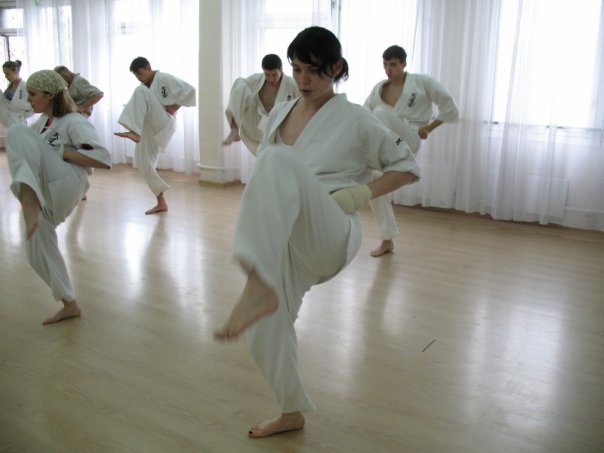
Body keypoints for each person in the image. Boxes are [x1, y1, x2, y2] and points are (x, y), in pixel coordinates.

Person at [214, 27, 420, 439]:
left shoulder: (356, 118)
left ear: (336, 68)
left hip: (332, 227)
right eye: (296, 69)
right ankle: (291, 411)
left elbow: (407, 166)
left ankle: (256, 283)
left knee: (275, 160)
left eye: (312, 70)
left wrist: (361, 193)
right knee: (263, 332)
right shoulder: (281, 111)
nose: (303, 79)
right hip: (289, 239)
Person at [5, 69, 111, 324]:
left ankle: (29, 200)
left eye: (33, 94)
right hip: (50, 187)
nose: (28, 99)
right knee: (36, 247)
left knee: (17, 132)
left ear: (50, 95)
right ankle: (69, 303)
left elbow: (103, 158)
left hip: (68, 180)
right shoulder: (44, 121)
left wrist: (61, 151)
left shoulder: (74, 122)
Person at [364, 45, 459, 257]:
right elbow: (364, 114)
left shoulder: (422, 83)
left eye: (393, 65)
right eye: (385, 65)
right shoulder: (379, 88)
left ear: (404, 64)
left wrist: (429, 128)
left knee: (380, 114)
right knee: (374, 183)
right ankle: (387, 239)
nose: (388, 69)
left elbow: (449, 106)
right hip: (386, 143)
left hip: (409, 138)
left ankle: (398, 164)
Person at [114, 57, 196, 214]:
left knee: (140, 91)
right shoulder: (144, 87)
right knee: (143, 161)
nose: (138, 78)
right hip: (150, 125)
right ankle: (161, 202)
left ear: (148, 67)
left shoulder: (164, 78)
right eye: (136, 75)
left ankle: (135, 132)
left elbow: (190, 90)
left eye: (140, 73)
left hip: (165, 121)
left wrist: (175, 106)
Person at [222, 54, 299, 154]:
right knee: (240, 84)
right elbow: (240, 92)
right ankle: (234, 129)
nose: (270, 79)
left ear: (281, 70)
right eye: (267, 74)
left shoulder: (292, 84)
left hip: (279, 127)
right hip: (255, 122)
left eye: (274, 75)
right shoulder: (256, 80)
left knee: (272, 157)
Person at [0, 60, 34, 128]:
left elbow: (33, 106)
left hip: (17, 121)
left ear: (15, 71)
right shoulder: (10, 85)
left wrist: (22, 115)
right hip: (7, 120)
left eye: (7, 73)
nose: (5, 76)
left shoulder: (24, 86)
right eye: (4, 74)